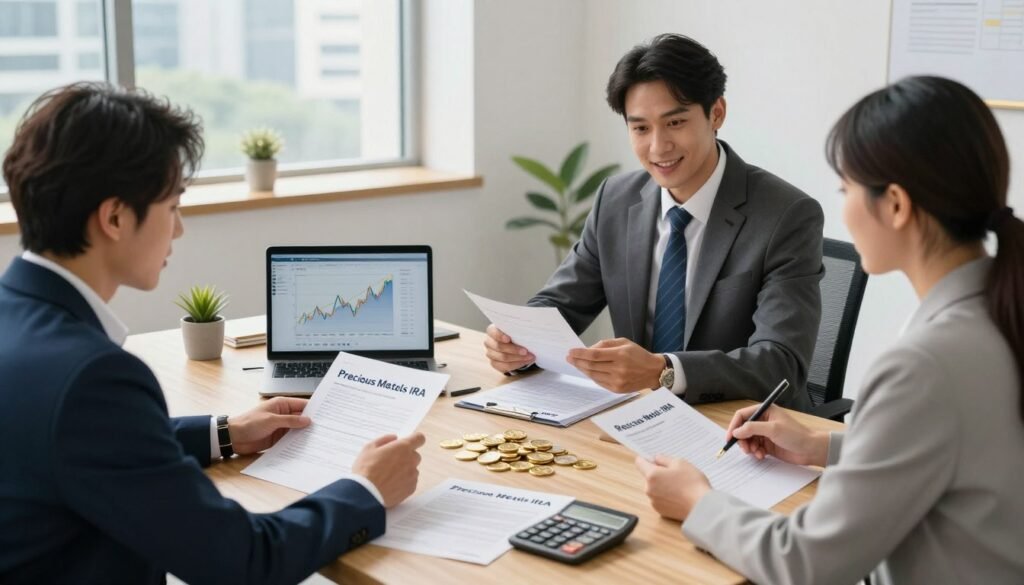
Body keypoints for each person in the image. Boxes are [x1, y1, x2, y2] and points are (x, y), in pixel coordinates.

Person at [0, 82, 425, 584]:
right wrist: (367, 490)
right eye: (173, 207)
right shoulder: (93, 378)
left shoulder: (20, 324)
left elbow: (77, 444)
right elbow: (243, 561)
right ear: (114, 217)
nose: (178, 230)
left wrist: (223, 433)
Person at [635, 76, 1024, 584]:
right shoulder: (999, 310)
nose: (841, 206)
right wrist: (825, 447)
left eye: (846, 189)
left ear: (897, 205)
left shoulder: (925, 363)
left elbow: (807, 563)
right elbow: (962, 450)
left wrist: (697, 502)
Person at [484, 34, 823, 410]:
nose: (658, 147)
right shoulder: (616, 199)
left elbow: (781, 364)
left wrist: (665, 370)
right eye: (640, 128)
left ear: (716, 113)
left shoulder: (786, 215)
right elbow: (561, 303)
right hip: (639, 419)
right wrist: (516, 341)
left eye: (675, 122)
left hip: (744, 428)